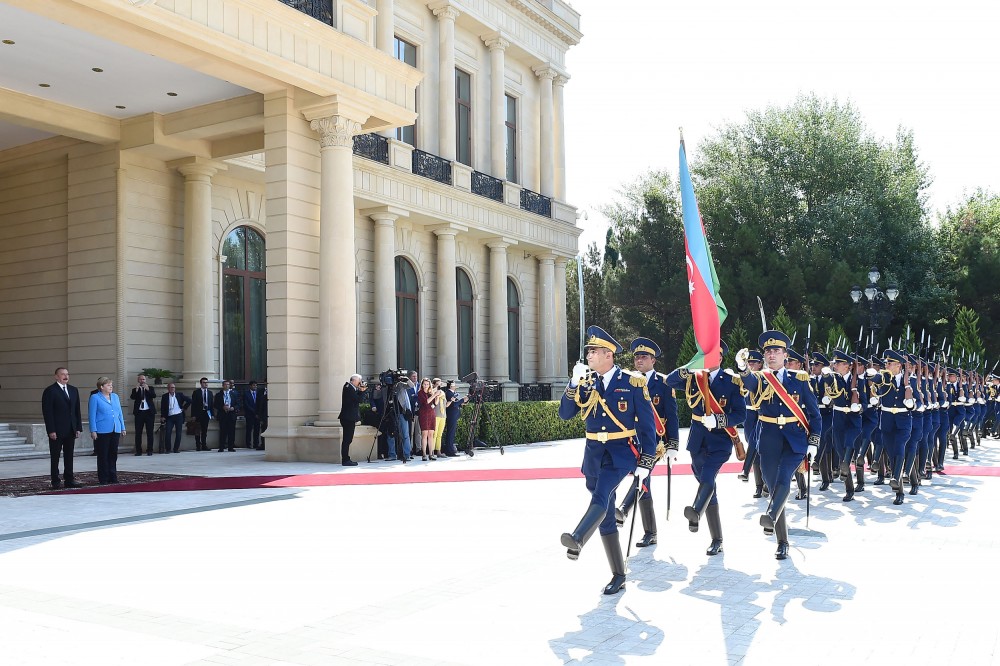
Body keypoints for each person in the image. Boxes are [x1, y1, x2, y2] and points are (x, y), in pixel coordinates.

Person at [558, 325, 658, 595]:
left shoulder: (632, 382)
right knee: (605, 515)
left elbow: (648, 427)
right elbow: (564, 414)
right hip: (593, 453)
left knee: (601, 495)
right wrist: (572, 383)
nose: (588, 355)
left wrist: (646, 461)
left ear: (608, 355)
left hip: (621, 452)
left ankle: (578, 538)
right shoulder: (587, 382)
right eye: (588, 351)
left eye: (593, 351)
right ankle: (618, 574)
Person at [736, 331, 821, 560]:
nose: (771, 355)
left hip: (794, 440)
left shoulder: (800, 379)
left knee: (784, 478)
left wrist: (814, 441)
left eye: (776, 351)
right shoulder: (760, 378)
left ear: (785, 354)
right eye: (768, 351)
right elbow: (750, 383)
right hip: (769, 440)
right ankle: (782, 541)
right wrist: (743, 368)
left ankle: (771, 516)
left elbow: (814, 414)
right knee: (775, 490)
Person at [665, 340, 745, 557]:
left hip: (720, 440)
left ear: (720, 358)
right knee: (707, 484)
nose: (709, 360)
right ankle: (716, 537)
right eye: (705, 356)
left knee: (709, 476)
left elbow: (740, 414)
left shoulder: (731, 381)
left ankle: (696, 512)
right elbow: (670, 381)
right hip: (697, 438)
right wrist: (691, 365)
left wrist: (719, 421)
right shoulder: (694, 376)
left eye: (713, 356)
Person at [616, 337, 679, 549]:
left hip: (655, 442)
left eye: (644, 356)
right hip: (632, 439)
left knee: (643, 475)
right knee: (645, 483)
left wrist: (673, 444)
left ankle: (624, 508)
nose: (639, 360)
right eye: (636, 356)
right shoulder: (627, 381)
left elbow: (672, 414)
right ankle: (650, 532)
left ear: (653, 360)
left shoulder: (663, 383)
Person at [41, 366, 84, 489]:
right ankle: (55, 480)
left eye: (67, 374)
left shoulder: (73, 390)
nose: (66, 376)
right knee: (55, 456)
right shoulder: (50, 391)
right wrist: (51, 430)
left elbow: (77, 411)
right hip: (57, 430)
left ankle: (69, 479)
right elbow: (47, 412)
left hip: (70, 429)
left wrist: (77, 427)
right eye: (62, 374)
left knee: (69, 455)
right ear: (56, 376)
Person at [737, 349, 766, 497]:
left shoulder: (764, 377)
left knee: (759, 445)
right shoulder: (743, 377)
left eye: (754, 362)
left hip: (762, 413)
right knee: (752, 446)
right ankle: (759, 485)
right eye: (749, 362)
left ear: (761, 364)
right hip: (749, 413)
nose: (751, 365)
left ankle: (763, 483)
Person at [89, 376, 126, 484]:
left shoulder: (115, 396)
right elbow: (92, 415)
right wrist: (93, 430)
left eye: (111, 385)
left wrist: (122, 427)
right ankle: (103, 478)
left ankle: (112, 477)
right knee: (103, 455)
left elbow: (119, 413)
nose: (111, 387)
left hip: (115, 428)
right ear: (101, 387)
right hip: (102, 429)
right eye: (108, 385)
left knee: (113, 454)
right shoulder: (95, 398)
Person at [338, 374, 366, 466]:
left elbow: (355, 398)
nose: (360, 383)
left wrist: (360, 390)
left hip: (348, 417)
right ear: (354, 380)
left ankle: (346, 459)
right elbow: (358, 400)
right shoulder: (348, 388)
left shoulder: (350, 387)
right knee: (347, 440)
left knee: (348, 439)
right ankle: (345, 460)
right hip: (348, 418)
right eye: (359, 381)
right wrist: (362, 391)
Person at [159, 383, 191, 454]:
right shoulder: (165, 396)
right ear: (168, 389)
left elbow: (189, 400)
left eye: (173, 387)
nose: (172, 389)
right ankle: (168, 449)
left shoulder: (179, 395)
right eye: (171, 387)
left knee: (178, 433)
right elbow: (163, 407)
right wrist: (162, 416)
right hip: (170, 417)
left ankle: (176, 449)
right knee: (168, 432)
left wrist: (184, 408)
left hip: (178, 416)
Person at [130, 373, 157, 455]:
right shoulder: (135, 389)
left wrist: (148, 389)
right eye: (140, 379)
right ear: (138, 380)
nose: (142, 381)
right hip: (139, 413)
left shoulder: (150, 388)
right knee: (138, 432)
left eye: (143, 379)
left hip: (149, 412)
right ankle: (138, 451)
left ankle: (150, 450)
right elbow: (132, 397)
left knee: (150, 432)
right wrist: (137, 389)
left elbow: (153, 396)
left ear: (146, 380)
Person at [442, 380, 468, 457]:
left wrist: (463, 401)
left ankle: (450, 449)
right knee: (450, 433)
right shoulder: (449, 393)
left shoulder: (452, 393)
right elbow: (453, 404)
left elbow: (457, 404)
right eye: (454, 384)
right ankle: (449, 451)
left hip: (453, 415)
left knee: (452, 433)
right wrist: (462, 400)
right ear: (451, 386)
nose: (455, 385)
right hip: (451, 415)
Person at [214, 380, 238, 451]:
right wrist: (222, 407)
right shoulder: (218, 395)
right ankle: (222, 446)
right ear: (223, 386)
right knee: (223, 431)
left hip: (231, 415)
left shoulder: (234, 394)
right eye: (225, 384)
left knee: (232, 431)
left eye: (228, 384)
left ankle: (231, 447)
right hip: (223, 415)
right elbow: (215, 405)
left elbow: (238, 403)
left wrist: (233, 408)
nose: (227, 386)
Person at [416, 378, 437, 460]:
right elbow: (426, 402)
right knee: (424, 434)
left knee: (431, 434)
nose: (426, 386)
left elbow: (435, 403)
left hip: (431, 413)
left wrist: (437, 395)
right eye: (424, 384)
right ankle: (424, 454)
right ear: (422, 385)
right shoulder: (420, 393)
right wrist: (434, 395)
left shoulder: (430, 393)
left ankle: (431, 453)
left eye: (427, 384)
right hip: (424, 414)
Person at [191, 377, 214, 451]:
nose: (206, 384)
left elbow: (211, 404)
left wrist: (212, 414)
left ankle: (204, 445)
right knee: (197, 430)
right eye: (204, 382)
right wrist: (193, 415)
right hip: (198, 414)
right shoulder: (196, 392)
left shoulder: (210, 393)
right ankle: (198, 445)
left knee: (204, 430)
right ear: (201, 383)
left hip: (206, 413)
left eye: (207, 382)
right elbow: (193, 404)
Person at [243, 380, 263, 450]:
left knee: (257, 430)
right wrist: (254, 411)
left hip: (257, 415)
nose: (255, 387)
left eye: (256, 385)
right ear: (250, 386)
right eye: (254, 385)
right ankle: (248, 444)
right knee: (249, 429)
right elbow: (246, 404)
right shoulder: (246, 393)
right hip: (249, 414)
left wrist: (258, 412)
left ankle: (256, 444)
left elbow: (260, 403)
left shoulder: (258, 393)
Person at [431, 378, 447, 458]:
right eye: (437, 384)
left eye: (440, 384)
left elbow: (442, 396)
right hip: (436, 415)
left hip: (443, 415)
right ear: (433, 384)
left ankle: (438, 451)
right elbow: (434, 394)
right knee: (434, 434)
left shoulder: (442, 392)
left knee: (439, 435)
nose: (439, 386)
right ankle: (432, 452)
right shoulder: (432, 392)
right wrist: (435, 389)